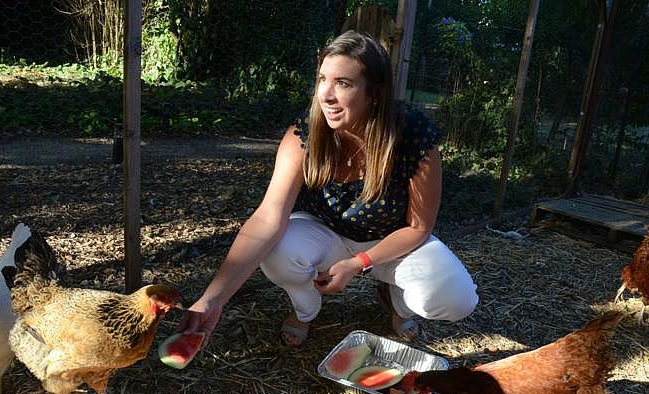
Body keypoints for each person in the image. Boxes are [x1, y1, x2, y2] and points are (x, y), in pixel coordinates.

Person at [179, 30, 478, 346]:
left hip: (393, 241)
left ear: (374, 93)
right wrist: (213, 299)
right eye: (323, 79)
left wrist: (359, 263)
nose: (326, 94)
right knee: (278, 252)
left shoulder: (413, 135)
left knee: (455, 299)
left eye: (344, 84)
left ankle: (397, 304)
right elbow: (268, 217)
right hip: (325, 235)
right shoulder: (305, 133)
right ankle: (306, 310)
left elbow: (420, 227)